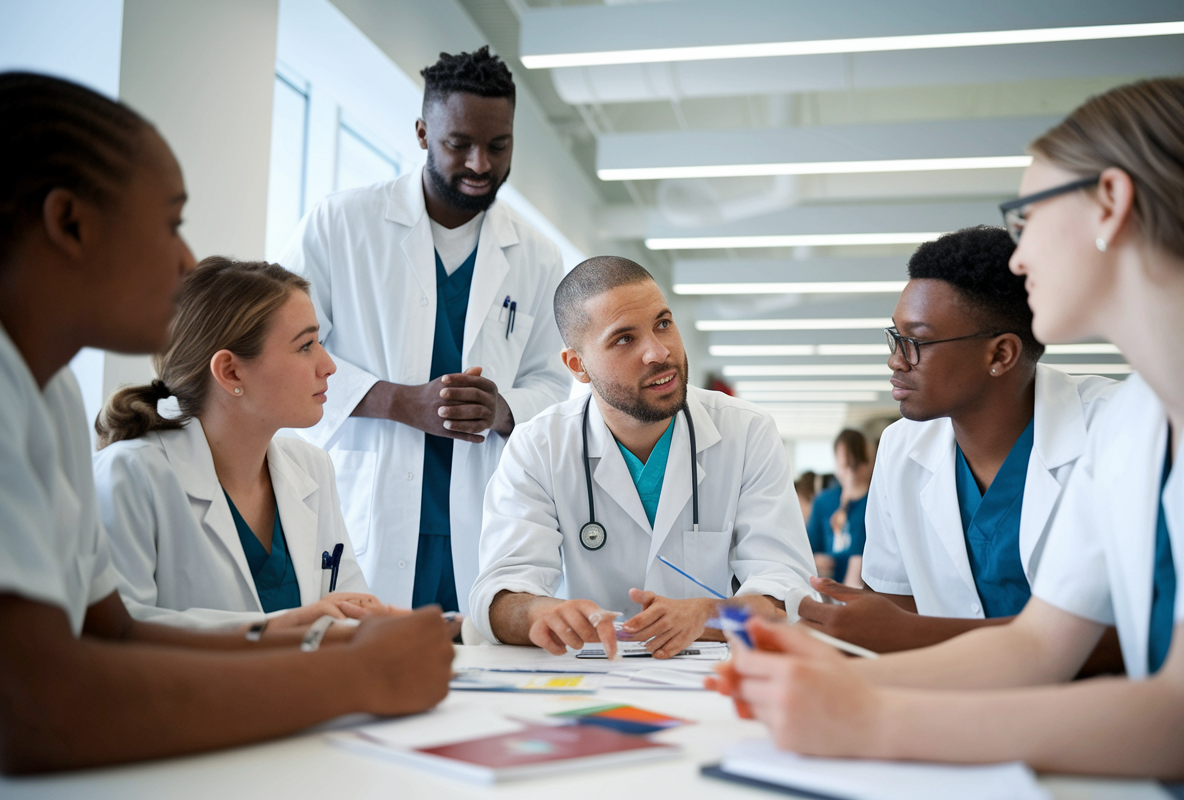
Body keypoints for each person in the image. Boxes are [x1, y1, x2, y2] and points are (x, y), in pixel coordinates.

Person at [710, 77, 1184, 796]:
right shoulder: (1139, 418)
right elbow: (1036, 645)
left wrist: (874, 717)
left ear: (1111, 200)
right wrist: (823, 668)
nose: (1018, 258)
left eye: (1027, 218)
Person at [0, 72, 452, 774]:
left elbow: (113, 632)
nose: (185, 260)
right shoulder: (110, 458)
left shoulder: (46, 391)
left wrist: (312, 637)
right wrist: (355, 674)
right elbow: (33, 706)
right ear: (71, 222)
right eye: (171, 222)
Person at [280, 47, 569, 614]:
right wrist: (398, 401)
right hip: (369, 500)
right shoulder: (341, 223)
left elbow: (553, 385)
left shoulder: (535, 255)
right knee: (367, 667)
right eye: (459, 143)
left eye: (498, 145)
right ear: (421, 133)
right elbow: (282, 351)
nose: (480, 164)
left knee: (478, 669)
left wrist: (503, 409)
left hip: (481, 507)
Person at [470, 256, 817, 658]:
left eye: (663, 324)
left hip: (711, 677)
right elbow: (499, 594)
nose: (658, 351)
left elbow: (787, 594)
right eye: (624, 339)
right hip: (592, 675)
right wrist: (540, 614)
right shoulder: (538, 447)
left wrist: (708, 616)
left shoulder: (746, 432)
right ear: (577, 366)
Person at [800, 226, 1119, 660]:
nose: (896, 360)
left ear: (1000, 355)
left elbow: (1134, 628)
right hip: (949, 699)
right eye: (895, 337)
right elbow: (893, 603)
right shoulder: (900, 447)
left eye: (916, 341)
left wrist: (912, 636)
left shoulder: (1116, 428)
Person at [94, 257, 396, 631]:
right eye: (305, 346)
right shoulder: (131, 475)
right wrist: (274, 630)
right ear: (231, 371)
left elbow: (349, 613)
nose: (328, 365)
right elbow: (112, 633)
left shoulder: (311, 467)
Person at [806, 429, 872, 586]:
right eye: (845, 465)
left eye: (856, 464)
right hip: (830, 585)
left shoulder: (875, 501)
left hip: (865, 589)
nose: (851, 472)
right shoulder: (824, 501)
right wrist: (815, 560)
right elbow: (808, 548)